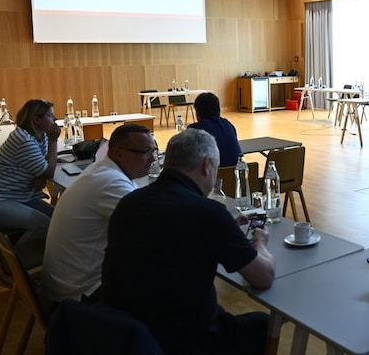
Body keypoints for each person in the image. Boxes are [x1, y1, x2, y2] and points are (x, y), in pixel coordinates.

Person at [101, 129, 275, 355]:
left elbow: (171, 237)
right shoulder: (208, 213)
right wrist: (260, 242)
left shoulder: (129, 202)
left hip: (123, 335)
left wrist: (227, 227)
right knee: (262, 323)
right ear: (206, 165)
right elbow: (264, 277)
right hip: (180, 342)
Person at [41, 124, 155, 303]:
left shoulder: (101, 170)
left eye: (154, 151)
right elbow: (154, 229)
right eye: (146, 152)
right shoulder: (111, 183)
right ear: (118, 153)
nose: (153, 159)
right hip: (77, 297)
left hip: (64, 284)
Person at [0, 99, 60, 247]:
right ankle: (16, 264)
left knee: (60, 219)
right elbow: (49, 171)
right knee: (43, 225)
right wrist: (54, 141)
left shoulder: (40, 135)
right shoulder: (23, 140)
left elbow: (44, 165)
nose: (55, 119)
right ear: (36, 120)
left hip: (16, 197)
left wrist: (40, 174)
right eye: (50, 115)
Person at [188, 92, 241, 167]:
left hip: (213, 177)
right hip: (235, 176)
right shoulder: (228, 125)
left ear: (197, 112)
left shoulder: (194, 130)